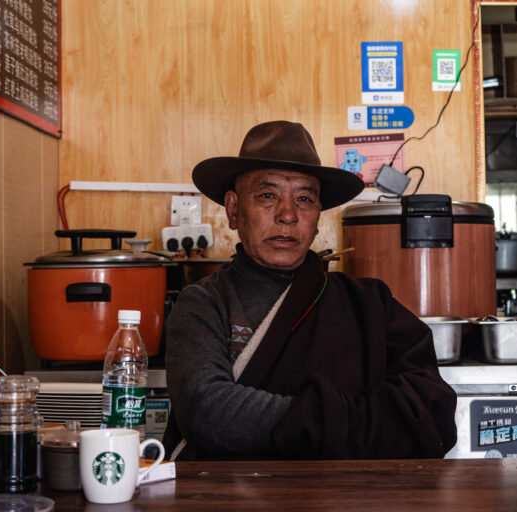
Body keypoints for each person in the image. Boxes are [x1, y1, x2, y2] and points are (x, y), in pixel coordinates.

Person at [163, 120, 457, 460]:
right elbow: (209, 413)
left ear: (318, 217)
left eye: (304, 198)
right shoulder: (203, 304)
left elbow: (430, 413)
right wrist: (355, 424)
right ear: (233, 210)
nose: (288, 215)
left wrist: (301, 423)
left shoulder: (369, 304)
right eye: (267, 195)